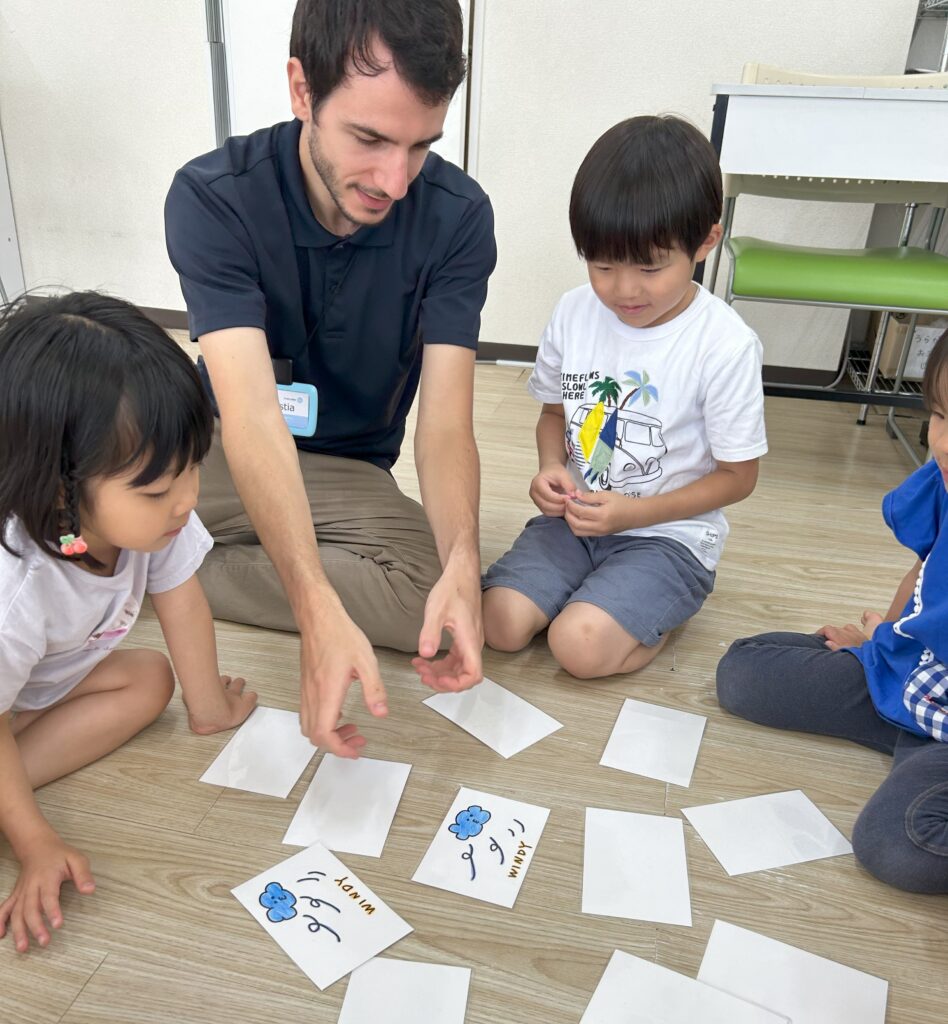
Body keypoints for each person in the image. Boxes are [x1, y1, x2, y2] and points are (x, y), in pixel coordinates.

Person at [164, 0, 495, 759]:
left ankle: (164, 566)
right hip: (217, 446)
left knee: (432, 593)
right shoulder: (214, 197)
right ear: (301, 90)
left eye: (420, 147)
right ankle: (169, 552)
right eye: (370, 139)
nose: (396, 180)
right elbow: (248, 417)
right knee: (84, 489)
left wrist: (465, 567)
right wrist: (315, 605)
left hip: (342, 469)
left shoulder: (458, 218)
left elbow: (445, 428)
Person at [0, 293, 258, 952]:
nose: (189, 499)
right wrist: (35, 841)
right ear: (62, 490)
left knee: (150, 678)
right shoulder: (19, 590)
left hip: (35, 690)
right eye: (156, 489)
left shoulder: (158, 519)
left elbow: (181, 599)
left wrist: (209, 708)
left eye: (194, 467)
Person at [482, 116, 768, 679]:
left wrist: (635, 513)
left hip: (668, 537)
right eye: (602, 265)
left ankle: (653, 615)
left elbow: (739, 476)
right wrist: (548, 468)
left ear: (705, 242)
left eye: (651, 267)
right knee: (499, 625)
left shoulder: (726, 345)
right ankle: (601, 598)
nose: (624, 289)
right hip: (578, 520)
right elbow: (553, 416)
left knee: (577, 648)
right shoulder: (574, 313)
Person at [717, 329, 948, 895]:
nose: (945, 445)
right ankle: (909, 751)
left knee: (897, 846)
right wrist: (877, 643)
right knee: (743, 671)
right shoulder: (943, 479)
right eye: (941, 416)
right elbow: (923, 569)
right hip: (916, 682)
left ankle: (917, 765)